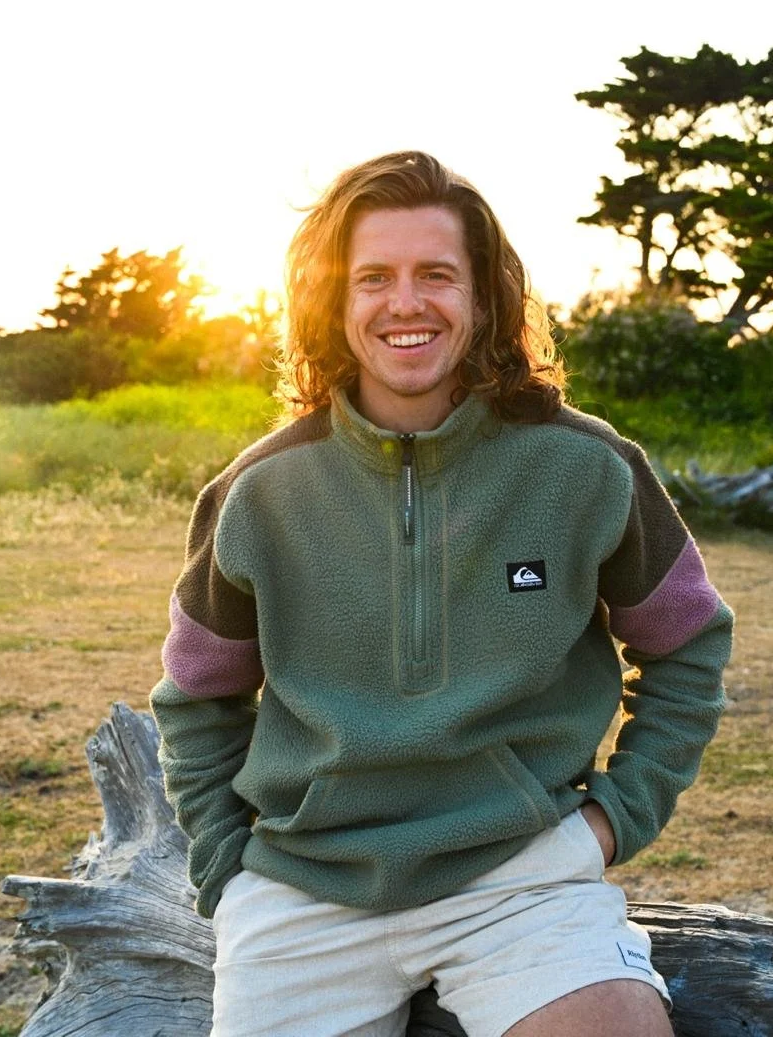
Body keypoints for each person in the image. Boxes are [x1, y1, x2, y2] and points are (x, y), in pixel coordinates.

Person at [150, 151, 733, 1037]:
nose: (406, 302)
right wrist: (228, 873)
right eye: (373, 277)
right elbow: (197, 699)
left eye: (437, 275)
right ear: (333, 303)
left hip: (519, 876)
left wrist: (612, 821)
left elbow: (688, 643)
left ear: (484, 297)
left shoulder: (587, 468)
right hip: (304, 889)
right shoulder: (254, 496)